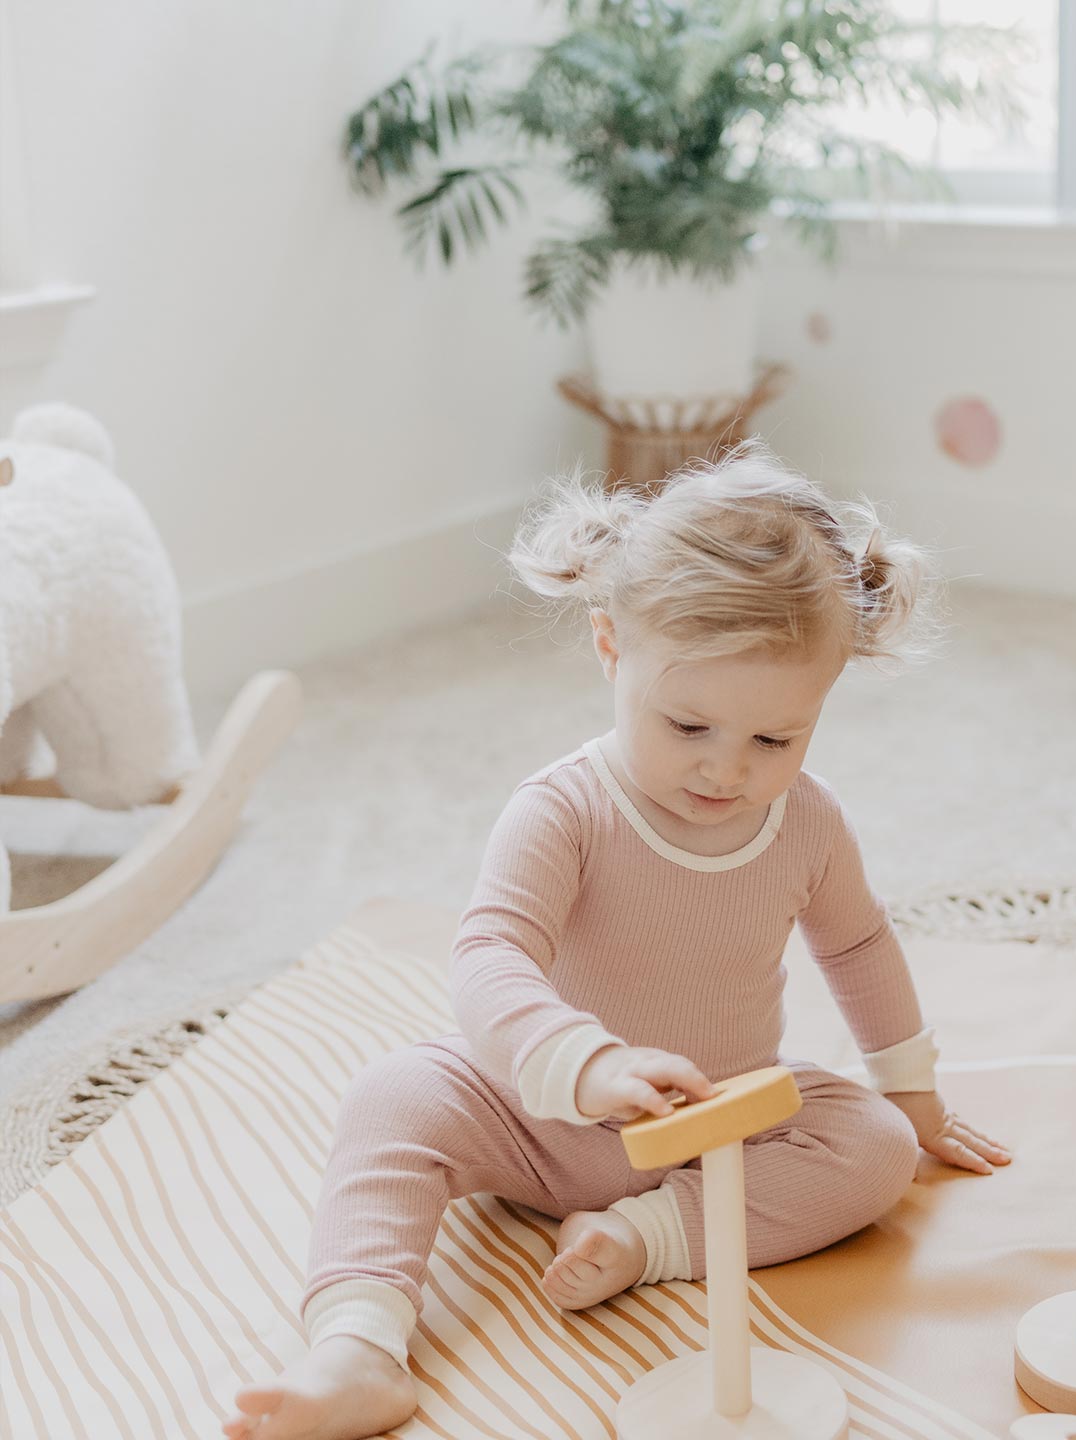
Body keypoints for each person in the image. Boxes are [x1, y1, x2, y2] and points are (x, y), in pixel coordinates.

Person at [224, 439, 1011, 1440]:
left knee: (877, 1149)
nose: (727, 771)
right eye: (687, 727)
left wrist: (913, 1092)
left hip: (722, 1121)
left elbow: (856, 947)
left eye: (775, 739)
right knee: (393, 1097)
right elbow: (489, 957)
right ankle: (359, 1343)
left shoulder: (807, 823)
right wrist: (585, 1065)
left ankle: (643, 1237)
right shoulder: (564, 810)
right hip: (530, 1113)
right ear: (610, 649)